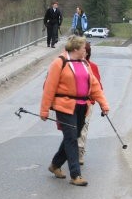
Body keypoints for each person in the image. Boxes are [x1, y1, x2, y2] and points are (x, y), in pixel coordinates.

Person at [40, 35, 109, 186]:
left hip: (81, 105)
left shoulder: (84, 63)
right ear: (76, 48)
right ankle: (75, 175)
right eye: (84, 48)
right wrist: (44, 110)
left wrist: (104, 104)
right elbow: (49, 88)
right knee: (71, 138)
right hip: (64, 104)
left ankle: (55, 165)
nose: (86, 50)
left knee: (74, 136)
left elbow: (95, 85)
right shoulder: (59, 63)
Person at [77, 42, 101, 165]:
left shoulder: (93, 67)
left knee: (83, 127)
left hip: (87, 103)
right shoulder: (71, 65)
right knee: (71, 128)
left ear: (87, 53)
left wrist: (103, 104)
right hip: (72, 102)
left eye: (84, 51)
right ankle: (69, 151)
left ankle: (80, 152)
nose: (82, 53)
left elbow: (98, 87)